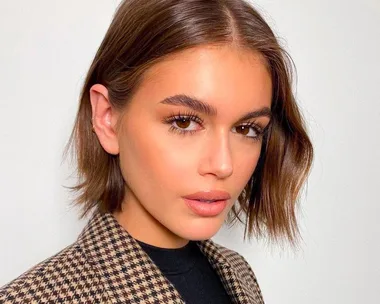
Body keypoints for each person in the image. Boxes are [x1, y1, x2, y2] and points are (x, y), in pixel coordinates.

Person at [0, 0, 313, 303]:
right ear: (107, 119)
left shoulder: (237, 274)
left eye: (247, 129)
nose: (223, 164)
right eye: (184, 121)